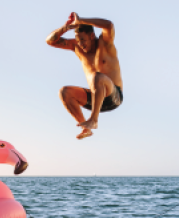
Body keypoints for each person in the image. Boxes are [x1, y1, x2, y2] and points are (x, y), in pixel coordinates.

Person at [46, 12, 123, 140]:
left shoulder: (105, 44)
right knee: (64, 92)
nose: (80, 44)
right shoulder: (76, 47)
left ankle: (94, 120)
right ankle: (86, 128)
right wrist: (66, 28)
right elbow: (50, 41)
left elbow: (109, 25)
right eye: (78, 40)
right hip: (95, 97)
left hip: (113, 96)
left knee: (96, 77)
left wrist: (81, 20)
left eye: (83, 40)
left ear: (92, 35)